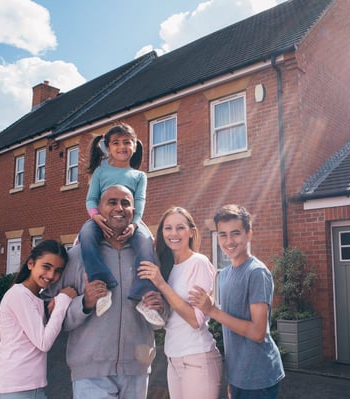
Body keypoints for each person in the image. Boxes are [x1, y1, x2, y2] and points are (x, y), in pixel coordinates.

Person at [43, 184, 168, 399]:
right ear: (98, 210)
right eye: (112, 202)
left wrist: (161, 308)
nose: (119, 208)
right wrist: (85, 303)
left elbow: (161, 316)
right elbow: (49, 310)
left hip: (136, 372)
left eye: (125, 203)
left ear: (134, 211)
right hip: (90, 374)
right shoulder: (77, 256)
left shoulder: (148, 257)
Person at [189, 204, 285, 399]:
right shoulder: (223, 276)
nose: (229, 241)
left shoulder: (256, 273)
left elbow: (258, 333)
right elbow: (229, 328)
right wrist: (232, 379)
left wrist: (213, 310)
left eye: (235, 233)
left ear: (249, 235)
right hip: (238, 377)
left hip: (259, 378)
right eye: (222, 235)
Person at [79, 123, 164, 326]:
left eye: (127, 142)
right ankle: (102, 289)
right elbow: (91, 199)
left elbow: (140, 201)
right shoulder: (101, 172)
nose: (122, 147)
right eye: (116, 143)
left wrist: (135, 224)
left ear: (135, 146)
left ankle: (143, 293)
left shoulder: (139, 176)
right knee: (86, 234)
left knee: (145, 242)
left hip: (131, 220)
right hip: (101, 218)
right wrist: (95, 216)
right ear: (107, 147)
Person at [137, 206, 222, 399]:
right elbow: (171, 319)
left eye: (180, 227)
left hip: (198, 359)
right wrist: (158, 305)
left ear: (191, 232)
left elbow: (195, 320)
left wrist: (161, 285)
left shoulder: (198, 263)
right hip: (173, 357)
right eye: (168, 228)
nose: (173, 233)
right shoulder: (167, 267)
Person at [0, 239, 77, 399]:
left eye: (58, 271)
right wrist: (63, 300)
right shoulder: (19, 295)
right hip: (13, 389)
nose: (51, 275)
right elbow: (43, 342)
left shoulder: (34, 297)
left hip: (27, 389)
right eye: (46, 267)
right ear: (30, 264)